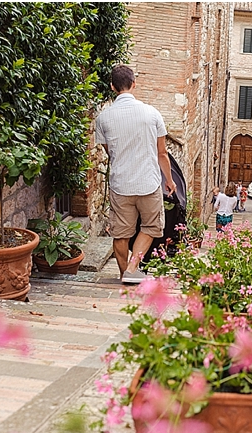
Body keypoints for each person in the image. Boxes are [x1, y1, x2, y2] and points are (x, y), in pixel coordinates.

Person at [94, 65, 177, 284]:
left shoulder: (103, 118)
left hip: (120, 184)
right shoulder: (152, 114)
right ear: (134, 83)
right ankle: (132, 269)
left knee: (121, 233)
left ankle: (125, 274)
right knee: (150, 226)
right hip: (148, 183)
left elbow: (109, 152)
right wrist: (169, 180)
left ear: (112, 86)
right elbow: (162, 153)